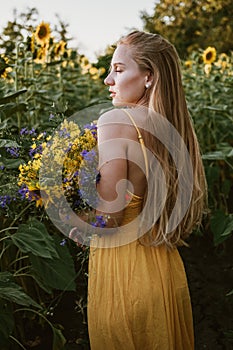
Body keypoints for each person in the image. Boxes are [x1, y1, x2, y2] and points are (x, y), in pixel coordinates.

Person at [70, 30, 207, 349]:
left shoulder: (115, 121)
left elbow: (111, 216)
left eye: (118, 69)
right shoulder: (172, 131)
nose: (107, 79)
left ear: (148, 77)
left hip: (124, 278)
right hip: (165, 273)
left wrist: (72, 216)